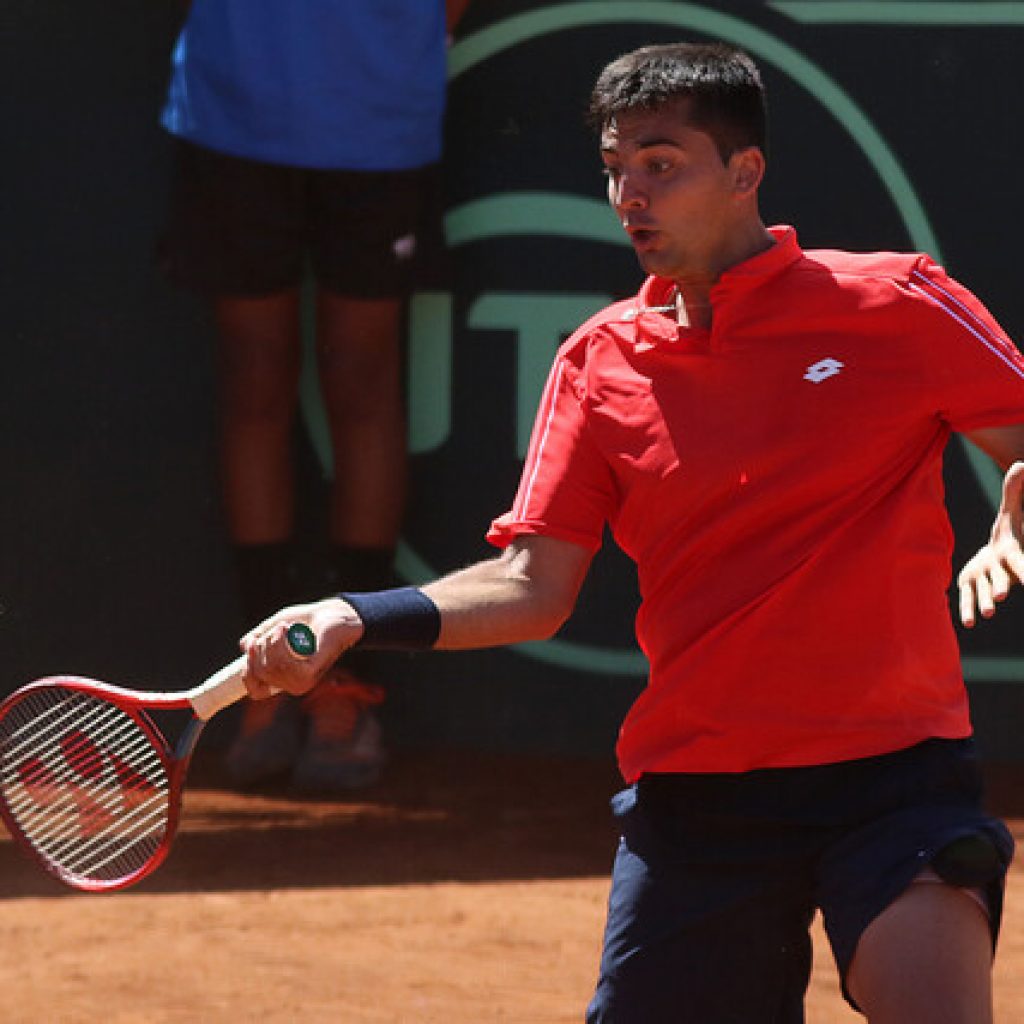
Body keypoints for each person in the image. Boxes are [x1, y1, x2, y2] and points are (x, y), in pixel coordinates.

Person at [237, 42, 1024, 1022]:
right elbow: (531, 584)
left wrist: (1012, 507)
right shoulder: (597, 364)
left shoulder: (898, 305)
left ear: (745, 174)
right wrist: (355, 612)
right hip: (700, 798)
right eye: (614, 168)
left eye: (660, 163)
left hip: (894, 779)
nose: (628, 194)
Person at [159, 0, 473, 791]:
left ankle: (342, 682)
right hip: (232, 113)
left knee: (363, 377)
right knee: (254, 372)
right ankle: (261, 683)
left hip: (379, 118)